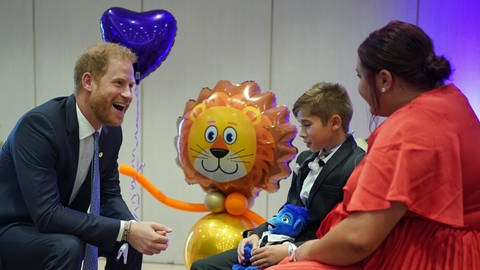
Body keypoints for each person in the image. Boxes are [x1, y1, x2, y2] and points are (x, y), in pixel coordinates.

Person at [267, 20, 480, 270]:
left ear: (384, 80)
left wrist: (302, 251)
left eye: (359, 76)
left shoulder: (407, 131)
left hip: (420, 254)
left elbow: (358, 239)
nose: (301, 134)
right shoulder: (453, 101)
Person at [0, 43, 172, 270]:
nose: (129, 94)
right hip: (14, 229)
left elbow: (109, 196)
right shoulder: (40, 126)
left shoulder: (110, 132)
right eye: (119, 83)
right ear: (88, 81)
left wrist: (133, 229)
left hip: (61, 227)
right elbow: (47, 214)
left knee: (130, 244)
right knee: (68, 246)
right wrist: (127, 230)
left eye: (131, 85)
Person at [190, 82, 365, 270]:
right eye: (300, 125)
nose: (302, 134)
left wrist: (289, 250)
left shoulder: (357, 164)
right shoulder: (305, 159)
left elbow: (345, 232)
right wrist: (255, 235)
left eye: (307, 125)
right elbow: (289, 211)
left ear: (335, 123)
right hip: (279, 242)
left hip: (312, 254)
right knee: (202, 267)